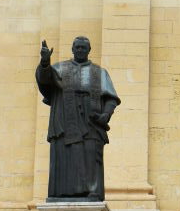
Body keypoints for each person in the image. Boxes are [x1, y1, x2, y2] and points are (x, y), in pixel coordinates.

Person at [36, 35, 119, 201]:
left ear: (89, 50)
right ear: (72, 49)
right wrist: (45, 63)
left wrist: (106, 114)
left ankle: (92, 191)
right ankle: (62, 193)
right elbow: (45, 81)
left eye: (83, 48)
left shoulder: (99, 72)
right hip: (65, 118)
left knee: (90, 154)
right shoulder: (59, 68)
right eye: (77, 47)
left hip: (91, 120)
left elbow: (111, 98)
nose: (80, 50)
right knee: (66, 155)